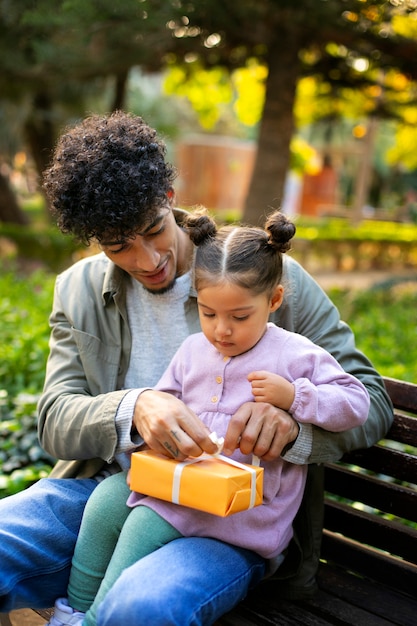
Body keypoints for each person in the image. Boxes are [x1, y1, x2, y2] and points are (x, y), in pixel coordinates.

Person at [0, 111, 393, 626]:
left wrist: (294, 425)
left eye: (152, 231)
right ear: (93, 240)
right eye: (118, 246)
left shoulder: (261, 278)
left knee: (140, 607)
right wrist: (133, 407)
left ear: (167, 198)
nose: (146, 260)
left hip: (225, 517)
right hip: (111, 491)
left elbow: (371, 399)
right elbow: (55, 418)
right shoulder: (77, 291)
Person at [45, 210, 370, 626]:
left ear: (273, 301)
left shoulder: (295, 353)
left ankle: (94, 620)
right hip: (185, 484)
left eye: (239, 317)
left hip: (243, 512)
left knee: (145, 523)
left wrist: (295, 398)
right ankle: (73, 608)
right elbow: (164, 400)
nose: (222, 331)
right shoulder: (193, 351)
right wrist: (157, 422)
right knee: (106, 502)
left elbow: (355, 401)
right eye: (209, 313)